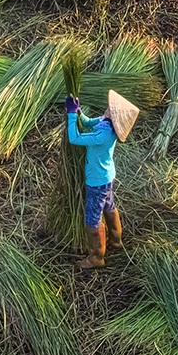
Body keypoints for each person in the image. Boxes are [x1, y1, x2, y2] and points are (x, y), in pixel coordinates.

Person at [66, 88, 139, 271]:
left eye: (110, 108)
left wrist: (71, 116)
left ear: (114, 116)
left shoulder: (103, 135)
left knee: (93, 218)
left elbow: (74, 138)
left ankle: (96, 257)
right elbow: (89, 123)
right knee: (109, 206)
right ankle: (116, 241)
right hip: (107, 177)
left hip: (97, 182)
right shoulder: (106, 124)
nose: (108, 107)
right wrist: (79, 112)